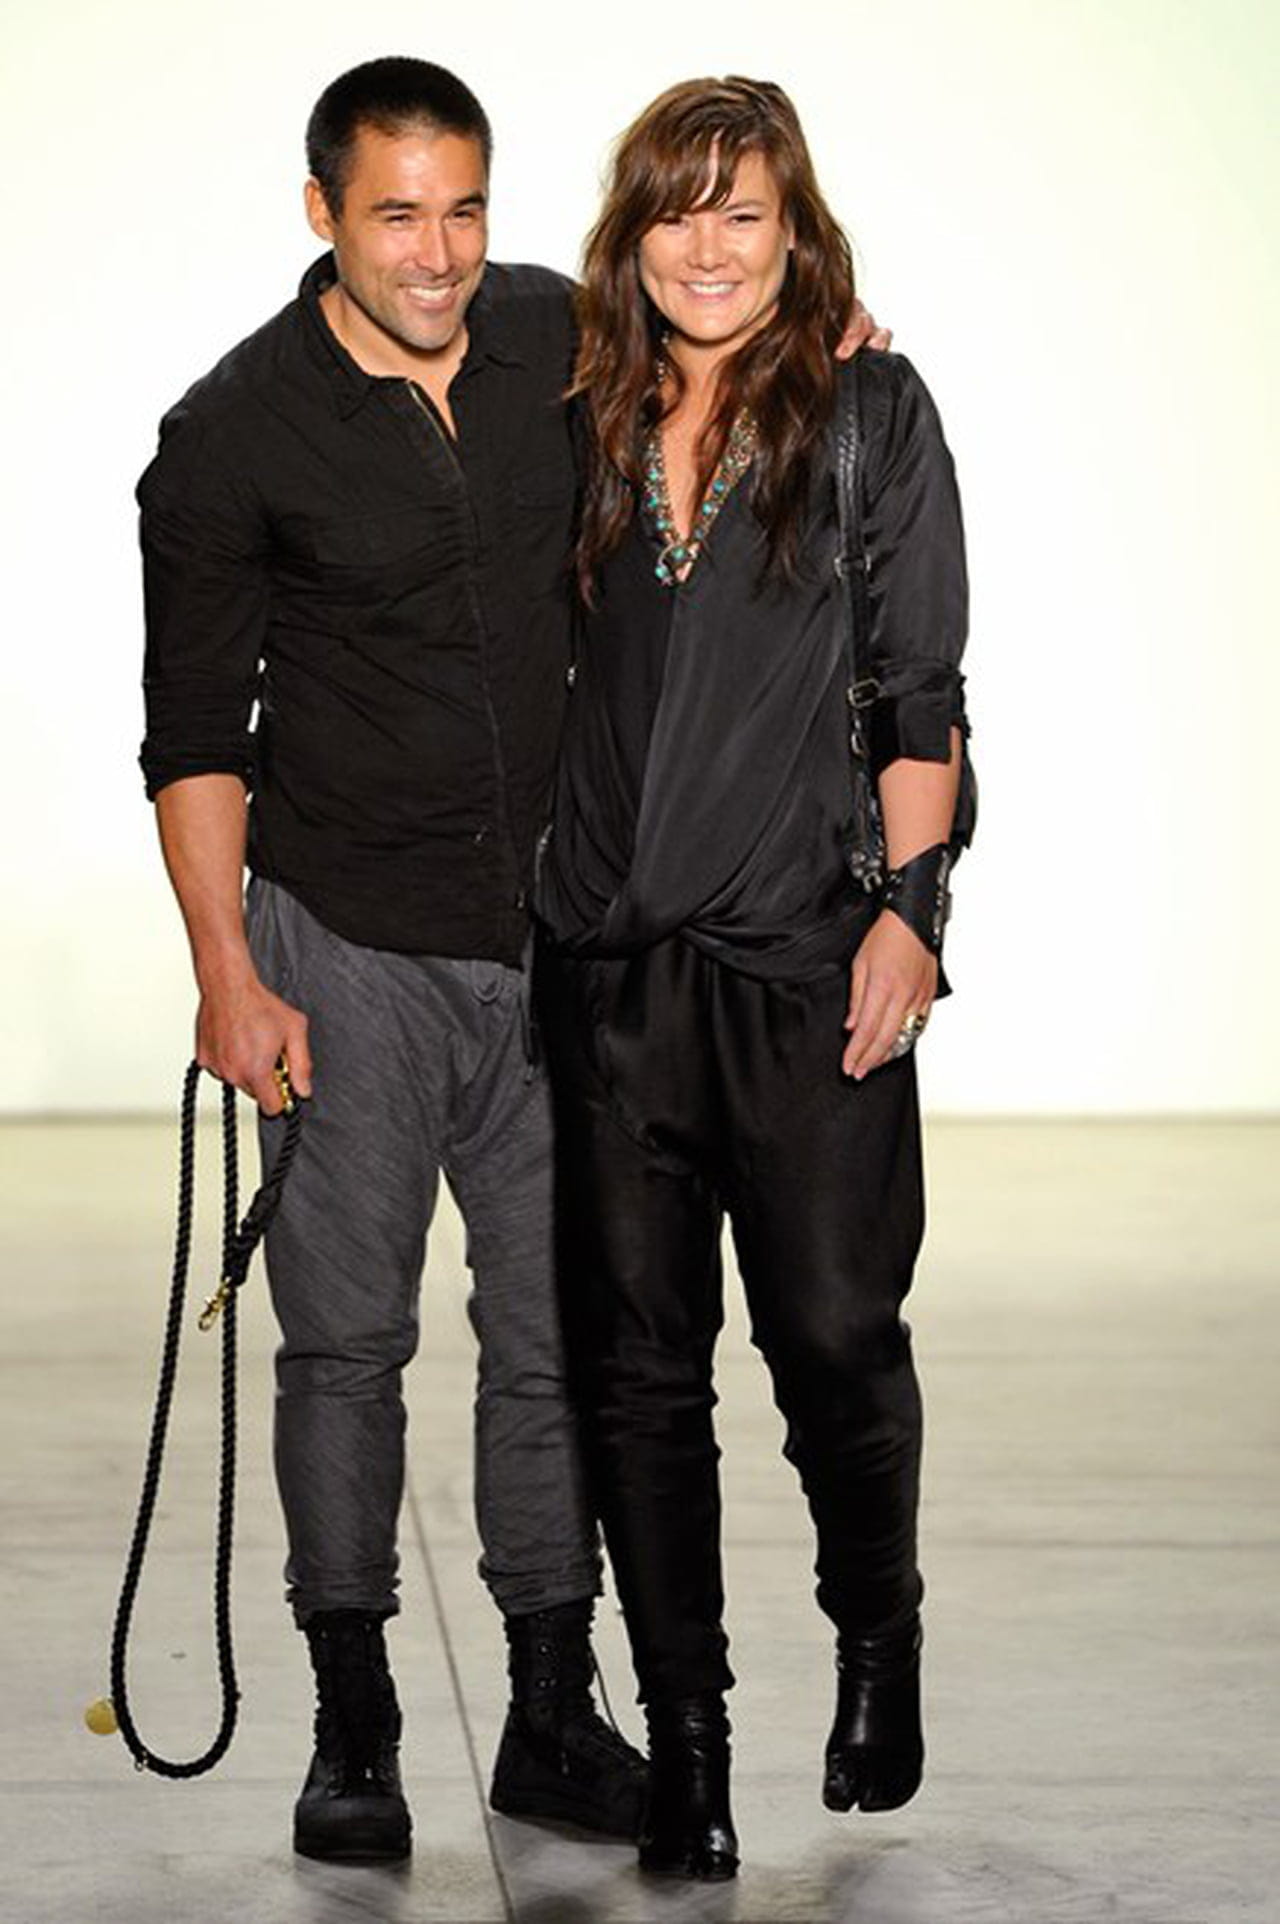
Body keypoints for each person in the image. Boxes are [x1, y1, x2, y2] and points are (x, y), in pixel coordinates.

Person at [136, 56, 652, 1863]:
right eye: (397, 215)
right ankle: (351, 1721)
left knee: (558, 1339)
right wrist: (228, 971)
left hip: (553, 946)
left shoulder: (560, 339)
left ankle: (550, 1711)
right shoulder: (232, 433)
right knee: (344, 1348)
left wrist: (836, 349)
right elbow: (194, 732)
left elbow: (719, 382)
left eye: (465, 210)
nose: (438, 255)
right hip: (343, 943)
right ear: (322, 215)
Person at [535, 76, 972, 1882]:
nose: (708, 248)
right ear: (630, 230)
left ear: (798, 234)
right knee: (639, 1377)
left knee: (837, 1338)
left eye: (745, 213)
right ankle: (690, 1746)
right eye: (677, 210)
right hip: (608, 975)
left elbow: (919, 692)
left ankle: (879, 1629)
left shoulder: (868, 412)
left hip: (806, 963)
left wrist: (912, 918)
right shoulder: (571, 404)